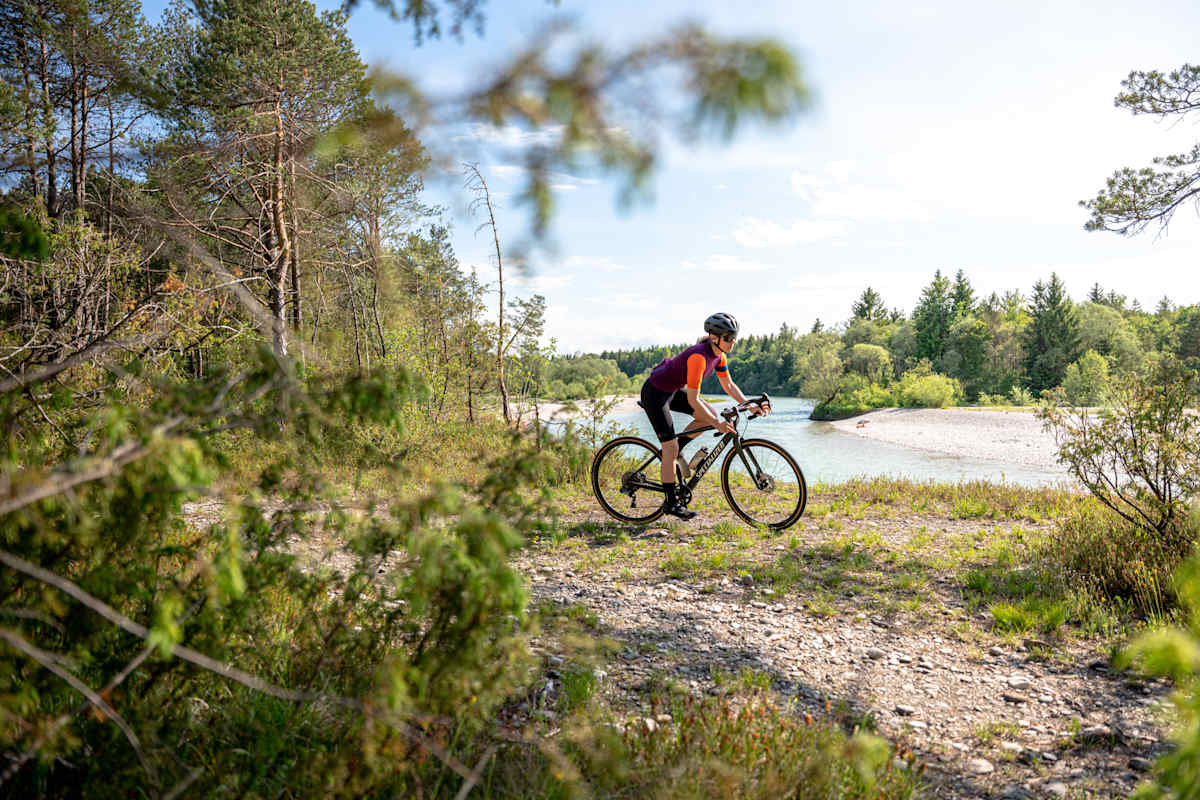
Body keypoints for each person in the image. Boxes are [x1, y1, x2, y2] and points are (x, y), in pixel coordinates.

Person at [640, 312, 769, 520]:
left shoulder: (719, 356)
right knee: (672, 446)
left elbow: (728, 385)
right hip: (655, 394)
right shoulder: (699, 357)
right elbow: (693, 400)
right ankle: (671, 503)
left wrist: (748, 405)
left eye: (734, 337)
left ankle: (676, 452)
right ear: (714, 337)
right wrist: (717, 423)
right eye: (728, 338)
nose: (732, 342)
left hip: (671, 390)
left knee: (706, 417)